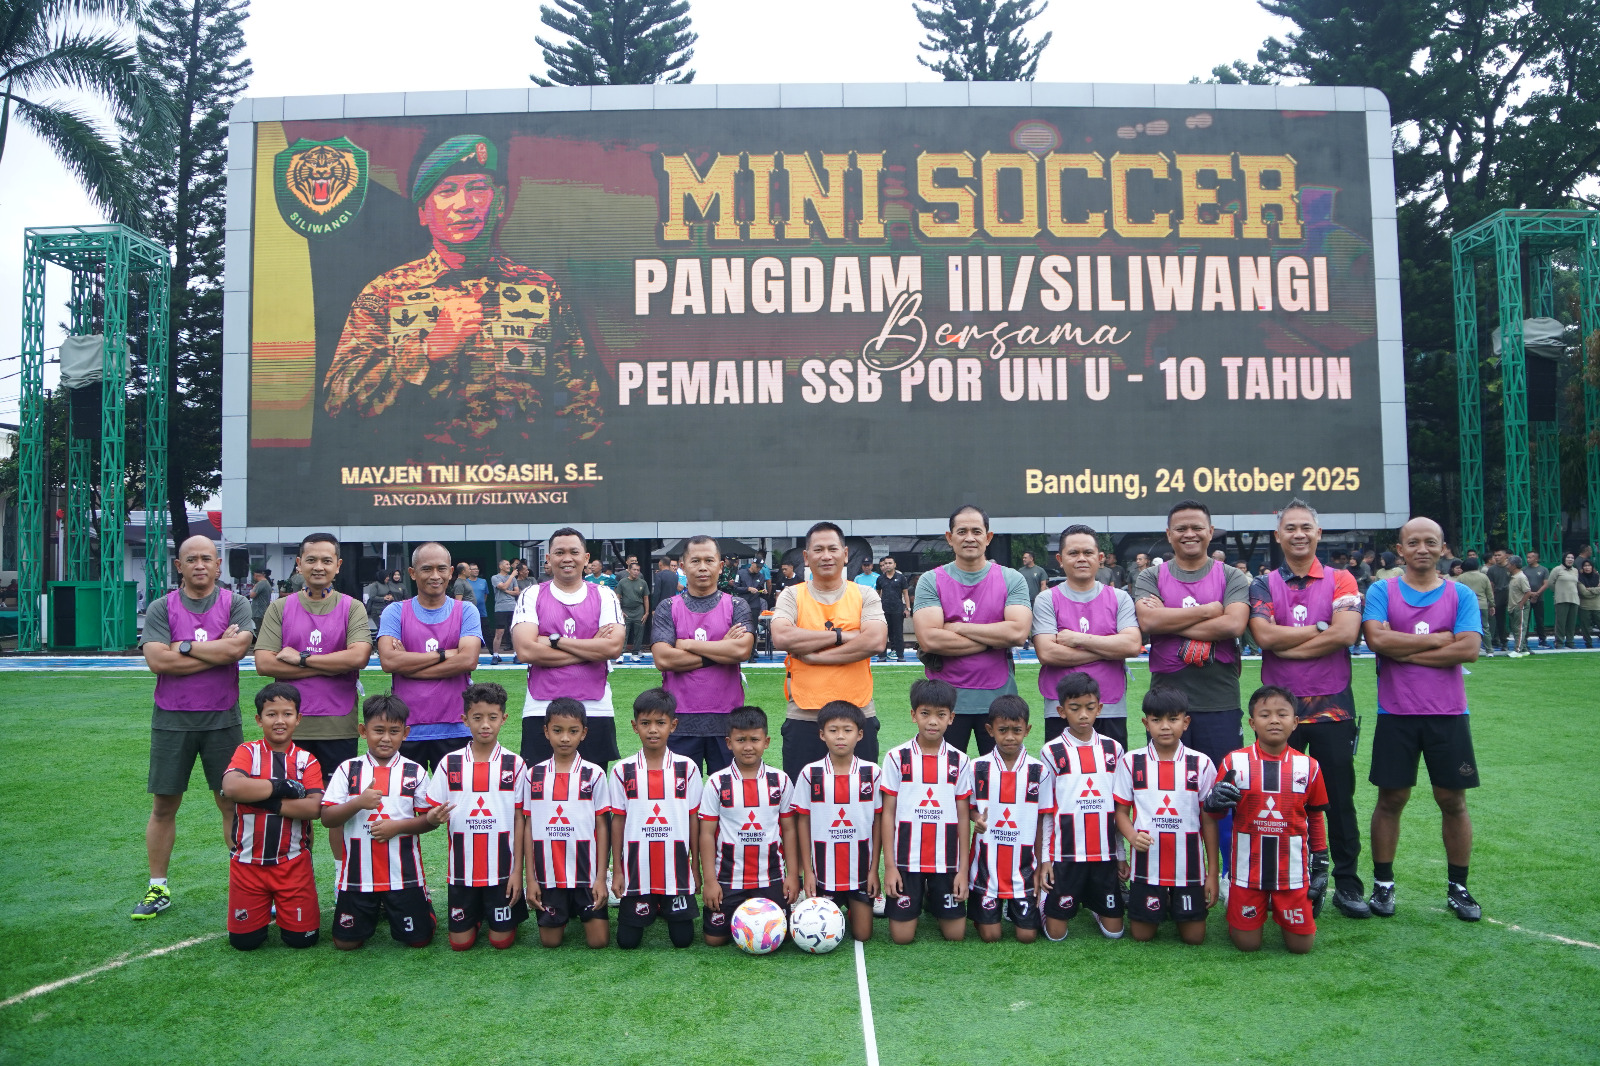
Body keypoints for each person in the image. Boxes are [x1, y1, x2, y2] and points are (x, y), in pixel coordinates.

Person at [322, 134, 602, 454]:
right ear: (424, 213)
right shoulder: (386, 293)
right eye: (446, 191)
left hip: (521, 487)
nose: (463, 204)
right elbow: (339, 401)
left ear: (500, 202)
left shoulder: (540, 291)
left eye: (477, 188)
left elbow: (582, 405)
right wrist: (426, 351)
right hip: (417, 489)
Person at [1246, 499, 1368, 919]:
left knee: (1339, 800)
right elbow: (1263, 636)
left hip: (1333, 707)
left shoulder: (1341, 579)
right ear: (1278, 536)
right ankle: (1287, 882)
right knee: (1277, 799)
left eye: (1306, 528)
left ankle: (1348, 884)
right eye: (1290, 528)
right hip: (1279, 711)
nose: (1299, 534)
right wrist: (1320, 631)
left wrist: (1290, 643)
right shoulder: (1261, 584)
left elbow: (1346, 632)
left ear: (1318, 534)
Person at [1361, 516, 1484, 921]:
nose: (1422, 549)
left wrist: (1403, 649)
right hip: (1395, 714)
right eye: (1413, 542)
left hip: (1448, 715)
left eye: (1431, 542)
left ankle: (1459, 886)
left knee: (1452, 800)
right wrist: (1435, 640)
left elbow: (1468, 650)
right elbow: (1377, 640)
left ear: (1443, 548)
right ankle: (1383, 885)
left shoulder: (1461, 594)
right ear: (1401, 550)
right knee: (1392, 798)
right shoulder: (1382, 590)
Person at [134, 534, 255, 920]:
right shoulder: (161, 607)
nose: (200, 564)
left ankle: (246, 884)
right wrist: (213, 651)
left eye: (207, 558)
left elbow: (236, 651)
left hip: (223, 718)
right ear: (179, 565)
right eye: (191, 559)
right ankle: (158, 887)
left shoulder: (236, 603)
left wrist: (181, 647)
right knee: (164, 804)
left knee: (231, 802)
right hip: (172, 719)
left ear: (219, 565)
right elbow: (158, 662)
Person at [1132, 499, 1251, 860]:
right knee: (1165, 787)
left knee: (1224, 789)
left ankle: (1227, 871)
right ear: (1169, 535)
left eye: (1197, 526)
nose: (1189, 533)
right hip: (1166, 703)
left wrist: (1176, 622)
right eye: (1181, 528)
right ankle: (1169, 866)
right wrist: (1210, 611)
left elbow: (1234, 625)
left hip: (1220, 701)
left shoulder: (1230, 576)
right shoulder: (1150, 576)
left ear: (1210, 532)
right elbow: (1149, 624)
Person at [1206, 686, 1331, 954]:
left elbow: (1316, 817)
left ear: (1295, 722)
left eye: (1282, 714)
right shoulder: (1234, 763)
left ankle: (1289, 903)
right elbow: (1215, 815)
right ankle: (1237, 896)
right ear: (1252, 723)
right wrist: (1213, 801)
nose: (1274, 720)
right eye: (1265, 714)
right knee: (1247, 945)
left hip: (1292, 872)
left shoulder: (1309, 766)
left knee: (1301, 947)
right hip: (1247, 871)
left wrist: (1321, 863)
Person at [252, 532, 372, 793]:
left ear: (338, 565)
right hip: (290, 724)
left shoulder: (352, 607)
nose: (319, 567)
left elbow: (358, 658)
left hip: (338, 726)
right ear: (299, 563)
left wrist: (301, 658)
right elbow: (264, 664)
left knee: (338, 805)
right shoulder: (280, 608)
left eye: (327, 561)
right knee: (292, 805)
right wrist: (332, 664)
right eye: (311, 560)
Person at [320, 693, 441, 949]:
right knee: (346, 944)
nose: (386, 738)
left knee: (419, 940)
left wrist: (398, 826)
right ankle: (373, 908)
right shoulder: (348, 769)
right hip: (357, 875)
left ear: (405, 733)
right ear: (363, 731)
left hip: (403, 873)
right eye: (378, 730)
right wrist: (357, 803)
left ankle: (422, 904)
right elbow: (328, 818)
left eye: (394, 731)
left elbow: (427, 822)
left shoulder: (415, 771)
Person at [771, 522, 888, 780]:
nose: (826, 556)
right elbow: (781, 636)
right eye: (818, 549)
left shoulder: (865, 594)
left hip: (857, 712)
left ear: (845, 554)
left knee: (862, 799)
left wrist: (817, 657)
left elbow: (876, 641)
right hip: (804, 712)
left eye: (833, 549)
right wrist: (841, 635)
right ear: (806, 557)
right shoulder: (792, 595)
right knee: (801, 802)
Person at [912, 505, 1031, 756]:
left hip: (998, 699)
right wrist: (992, 640)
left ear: (988, 537)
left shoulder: (1011, 579)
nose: (969, 537)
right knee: (945, 782)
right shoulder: (931, 580)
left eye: (976, 531)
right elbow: (930, 638)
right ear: (949, 537)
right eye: (962, 531)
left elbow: (1017, 633)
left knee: (1000, 780)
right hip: (944, 704)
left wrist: (958, 627)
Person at [218, 682, 325, 950]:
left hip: (292, 864)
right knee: (244, 943)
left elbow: (314, 808)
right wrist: (282, 787)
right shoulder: (247, 752)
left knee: (302, 942)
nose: (280, 721)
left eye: (287, 714)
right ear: (258, 719)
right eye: (271, 714)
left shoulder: (306, 760)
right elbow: (231, 788)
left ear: (298, 719)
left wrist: (264, 801)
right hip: (247, 864)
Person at [422, 682, 528, 951]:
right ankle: (476, 915)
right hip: (462, 872)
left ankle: (494, 915)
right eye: (477, 717)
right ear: (464, 719)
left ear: (504, 719)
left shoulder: (515, 764)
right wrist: (434, 816)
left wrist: (518, 872)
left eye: (492, 717)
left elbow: (520, 819)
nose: (485, 725)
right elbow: (431, 813)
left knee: (501, 942)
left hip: (502, 872)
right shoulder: (450, 763)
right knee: (461, 944)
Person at [1113, 688, 1221, 945]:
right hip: (1146, 868)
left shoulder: (1202, 763)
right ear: (1145, 723)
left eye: (1172, 719)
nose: (1164, 727)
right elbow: (1120, 812)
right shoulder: (1131, 762)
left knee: (1194, 938)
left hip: (1189, 868)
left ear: (1186, 722)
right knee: (1141, 935)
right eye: (1156, 719)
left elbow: (1209, 820)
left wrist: (1213, 873)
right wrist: (1131, 835)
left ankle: (1175, 900)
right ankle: (1163, 899)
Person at [512, 527, 625, 767]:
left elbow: (613, 648)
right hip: (541, 707)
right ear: (548, 558)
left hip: (595, 708)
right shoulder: (531, 594)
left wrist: (554, 641)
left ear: (585, 558)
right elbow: (526, 651)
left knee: (591, 791)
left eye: (574, 552)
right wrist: (590, 649)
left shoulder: (605, 595)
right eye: (559, 552)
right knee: (540, 791)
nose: (567, 558)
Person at [881, 678, 974, 944]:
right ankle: (919, 897)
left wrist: (962, 870)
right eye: (925, 714)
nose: (933, 721)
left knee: (956, 936)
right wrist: (890, 867)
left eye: (940, 715)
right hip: (906, 860)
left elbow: (963, 816)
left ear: (951, 718)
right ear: (913, 715)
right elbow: (888, 813)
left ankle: (933, 898)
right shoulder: (896, 757)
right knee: (902, 938)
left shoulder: (960, 760)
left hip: (946, 860)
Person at [652, 535, 755, 775]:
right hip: (679, 721)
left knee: (730, 799)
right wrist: (720, 651)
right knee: (679, 800)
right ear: (683, 565)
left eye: (709, 560)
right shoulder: (668, 607)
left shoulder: (737, 605)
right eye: (695, 561)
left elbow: (741, 650)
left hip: (728, 721)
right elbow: (664, 659)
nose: (702, 567)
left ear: (720, 566)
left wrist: (687, 644)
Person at [698, 706, 799, 946]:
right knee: (715, 940)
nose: (748, 746)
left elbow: (790, 830)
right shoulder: (716, 782)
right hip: (728, 879)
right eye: (740, 740)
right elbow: (706, 834)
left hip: (771, 877)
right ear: (728, 742)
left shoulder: (780, 781)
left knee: (780, 939)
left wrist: (793, 875)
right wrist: (710, 881)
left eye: (754, 739)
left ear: (766, 741)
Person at [611, 688, 703, 949]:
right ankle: (650, 902)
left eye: (660, 723)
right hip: (636, 869)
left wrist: (695, 868)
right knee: (627, 943)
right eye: (645, 723)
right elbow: (617, 821)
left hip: (677, 870)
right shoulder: (622, 770)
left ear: (672, 726)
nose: (653, 730)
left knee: (683, 941)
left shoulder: (687, 768)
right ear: (634, 726)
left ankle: (665, 903)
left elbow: (694, 818)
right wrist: (617, 869)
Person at [1034, 524, 1142, 747]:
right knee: (1062, 776)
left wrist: (1078, 639)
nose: (1081, 558)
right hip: (1061, 708)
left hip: (1110, 704)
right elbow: (1047, 653)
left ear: (1100, 557)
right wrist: (1108, 649)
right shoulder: (1046, 599)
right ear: (1060, 559)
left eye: (1088, 553)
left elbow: (1131, 645)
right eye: (1073, 553)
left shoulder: (1119, 598)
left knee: (1111, 777)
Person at [1037, 674, 1127, 941]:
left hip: (1104, 852)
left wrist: (1120, 853)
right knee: (1056, 936)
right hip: (1066, 854)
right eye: (1075, 709)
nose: (1083, 715)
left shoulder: (1114, 749)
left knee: (1116, 932)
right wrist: (1045, 860)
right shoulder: (1051, 752)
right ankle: (1045, 901)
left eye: (1090, 707)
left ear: (1099, 708)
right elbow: (1047, 811)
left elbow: (1119, 808)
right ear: (1061, 711)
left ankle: (1095, 906)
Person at [377, 543, 482, 770]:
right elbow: (389, 661)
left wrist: (409, 665)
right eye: (426, 569)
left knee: (453, 803)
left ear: (451, 572)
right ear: (412, 573)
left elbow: (468, 660)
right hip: (405, 729)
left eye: (441, 569)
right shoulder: (395, 612)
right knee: (402, 803)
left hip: (456, 727)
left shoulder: (466, 611)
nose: (435, 576)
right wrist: (444, 654)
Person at [523, 697, 613, 948]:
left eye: (572, 731)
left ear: (583, 733)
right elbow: (529, 826)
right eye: (557, 731)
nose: (565, 738)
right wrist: (530, 879)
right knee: (550, 943)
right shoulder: (534, 775)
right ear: (546, 732)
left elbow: (602, 825)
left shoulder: (594, 774)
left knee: (599, 942)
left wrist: (600, 877)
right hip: (548, 876)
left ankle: (579, 906)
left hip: (586, 875)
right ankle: (562, 909)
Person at [791, 700, 882, 943]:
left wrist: (874, 872)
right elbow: (803, 822)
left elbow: (877, 823)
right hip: (823, 875)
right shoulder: (811, 774)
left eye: (847, 730)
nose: (840, 736)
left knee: (863, 935)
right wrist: (807, 872)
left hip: (860, 873)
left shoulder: (872, 773)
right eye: (833, 730)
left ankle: (854, 906)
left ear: (860, 734)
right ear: (822, 735)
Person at [966, 695, 1046, 943]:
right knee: (991, 936)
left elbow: (1043, 820)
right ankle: (993, 906)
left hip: (1022, 866)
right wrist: (977, 818)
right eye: (1002, 730)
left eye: (1016, 730)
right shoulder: (976, 767)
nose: (1010, 737)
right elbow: (969, 808)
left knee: (1027, 936)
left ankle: (1012, 904)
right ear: (990, 730)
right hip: (986, 865)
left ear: (1027, 730)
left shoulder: (1039, 771)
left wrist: (1043, 862)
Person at [875, 556, 911, 662]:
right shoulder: (880, 579)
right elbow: (877, 594)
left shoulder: (901, 578)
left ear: (894, 565)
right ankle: (882, 656)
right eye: (885, 563)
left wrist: (907, 608)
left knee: (898, 633)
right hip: (883, 610)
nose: (887, 565)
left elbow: (906, 593)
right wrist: (876, 609)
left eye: (890, 563)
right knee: (883, 633)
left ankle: (900, 655)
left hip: (898, 609)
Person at [614, 559, 652, 662]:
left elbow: (646, 598)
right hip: (625, 610)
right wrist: (619, 611)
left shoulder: (642, 583)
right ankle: (620, 654)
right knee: (624, 633)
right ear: (629, 571)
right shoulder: (622, 582)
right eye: (634, 570)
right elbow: (617, 597)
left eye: (638, 570)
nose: (636, 572)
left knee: (639, 633)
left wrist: (647, 612)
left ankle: (635, 653)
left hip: (639, 610)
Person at [1457, 557, 1495, 655]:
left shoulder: (1461, 577)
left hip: (1467, 606)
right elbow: (1489, 592)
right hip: (1482, 604)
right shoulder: (1483, 577)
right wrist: (1492, 605)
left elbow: (1457, 592)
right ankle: (1489, 650)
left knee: (1468, 628)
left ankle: (1469, 649)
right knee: (1485, 627)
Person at [489, 559, 520, 664]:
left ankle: (516, 655)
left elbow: (517, 592)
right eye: (506, 564)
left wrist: (506, 591)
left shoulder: (513, 579)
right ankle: (495, 655)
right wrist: (511, 576)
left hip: (512, 607)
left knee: (514, 632)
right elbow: (503, 586)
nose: (509, 566)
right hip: (500, 608)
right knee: (499, 632)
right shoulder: (495, 577)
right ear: (500, 566)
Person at [1551, 552, 1581, 649]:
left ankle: (1570, 642)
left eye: (1572, 558)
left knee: (1571, 623)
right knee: (1561, 623)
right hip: (1561, 599)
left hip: (1574, 599)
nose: (1570, 559)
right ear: (1564, 558)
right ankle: (1559, 642)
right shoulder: (1557, 569)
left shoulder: (1575, 571)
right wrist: (1559, 592)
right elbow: (1551, 583)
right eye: (1568, 557)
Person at [1484, 549, 1511, 650]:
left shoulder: (1510, 567)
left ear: (1505, 556)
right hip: (1498, 594)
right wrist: (1492, 599)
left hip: (1510, 594)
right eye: (1495, 555)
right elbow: (1491, 585)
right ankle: (1503, 641)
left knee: (1514, 619)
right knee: (1500, 620)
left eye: (1499, 555)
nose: (1496, 557)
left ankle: (1521, 641)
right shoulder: (1492, 569)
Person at [1506, 555, 1533, 657]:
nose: (1507, 566)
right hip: (1513, 606)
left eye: (1508, 564)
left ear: (1513, 565)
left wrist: (1521, 604)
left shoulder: (1521, 577)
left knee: (1520, 628)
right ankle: (1524, 648)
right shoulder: (1513, 576)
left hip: (1519, 606)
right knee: (1516, 629)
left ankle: (1517, 650)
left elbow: (1528, 592)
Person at [1523, 550, 1550, 648]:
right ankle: (1524, 640)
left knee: (1540, 620)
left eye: (1530, 557)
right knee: (1525, 620)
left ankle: (1542, 640)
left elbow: (1546, 584)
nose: (1528, 559)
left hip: (1539, 599)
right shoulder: (1524, 570)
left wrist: (1537, 594)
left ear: (1536, 558)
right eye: (1527, 557)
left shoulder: (1543, 569)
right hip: (1526, 598)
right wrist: (1530, 594)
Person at [366, 568, 404, 633]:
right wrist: (383, 598)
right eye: (386, 576)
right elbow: (372, 597)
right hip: (376, 610)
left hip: (385, 608)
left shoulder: (387, 584)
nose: (388, 578)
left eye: (388, 576)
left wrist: (391, 597)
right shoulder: (375, 585)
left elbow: (390, 592)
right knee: (381, 627)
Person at [1578, 560, 1600, 648]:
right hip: (1584, 606)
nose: (1587, 568)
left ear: (1592, 567)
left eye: (1589, 565)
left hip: (1597, 606)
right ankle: (1588, 643)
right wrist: (1596, 590)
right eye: (1585, 566)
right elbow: (1584, 593)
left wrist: (1590, 589)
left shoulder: (1597, 576)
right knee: (1585, 627)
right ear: (1582, 568)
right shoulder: (1580, 578)